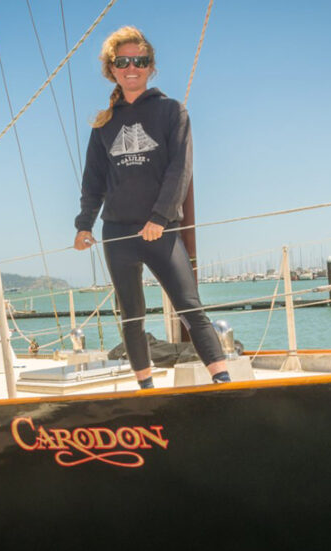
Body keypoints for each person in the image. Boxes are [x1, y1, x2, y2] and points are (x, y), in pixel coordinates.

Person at [73, 26, 229, 389]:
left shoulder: (172, 112)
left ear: (150, 67)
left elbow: (180, 169)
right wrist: (84, 225)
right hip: (117, 232)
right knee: (132, 316)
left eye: (139, 61)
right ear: (111, 68)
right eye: (123, 61)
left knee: (190, 306)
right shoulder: (103, 125)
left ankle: (222, 381)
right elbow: (93, 181)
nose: (132, 67)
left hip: (160, 231)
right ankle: (145, 389)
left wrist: (160, 217)